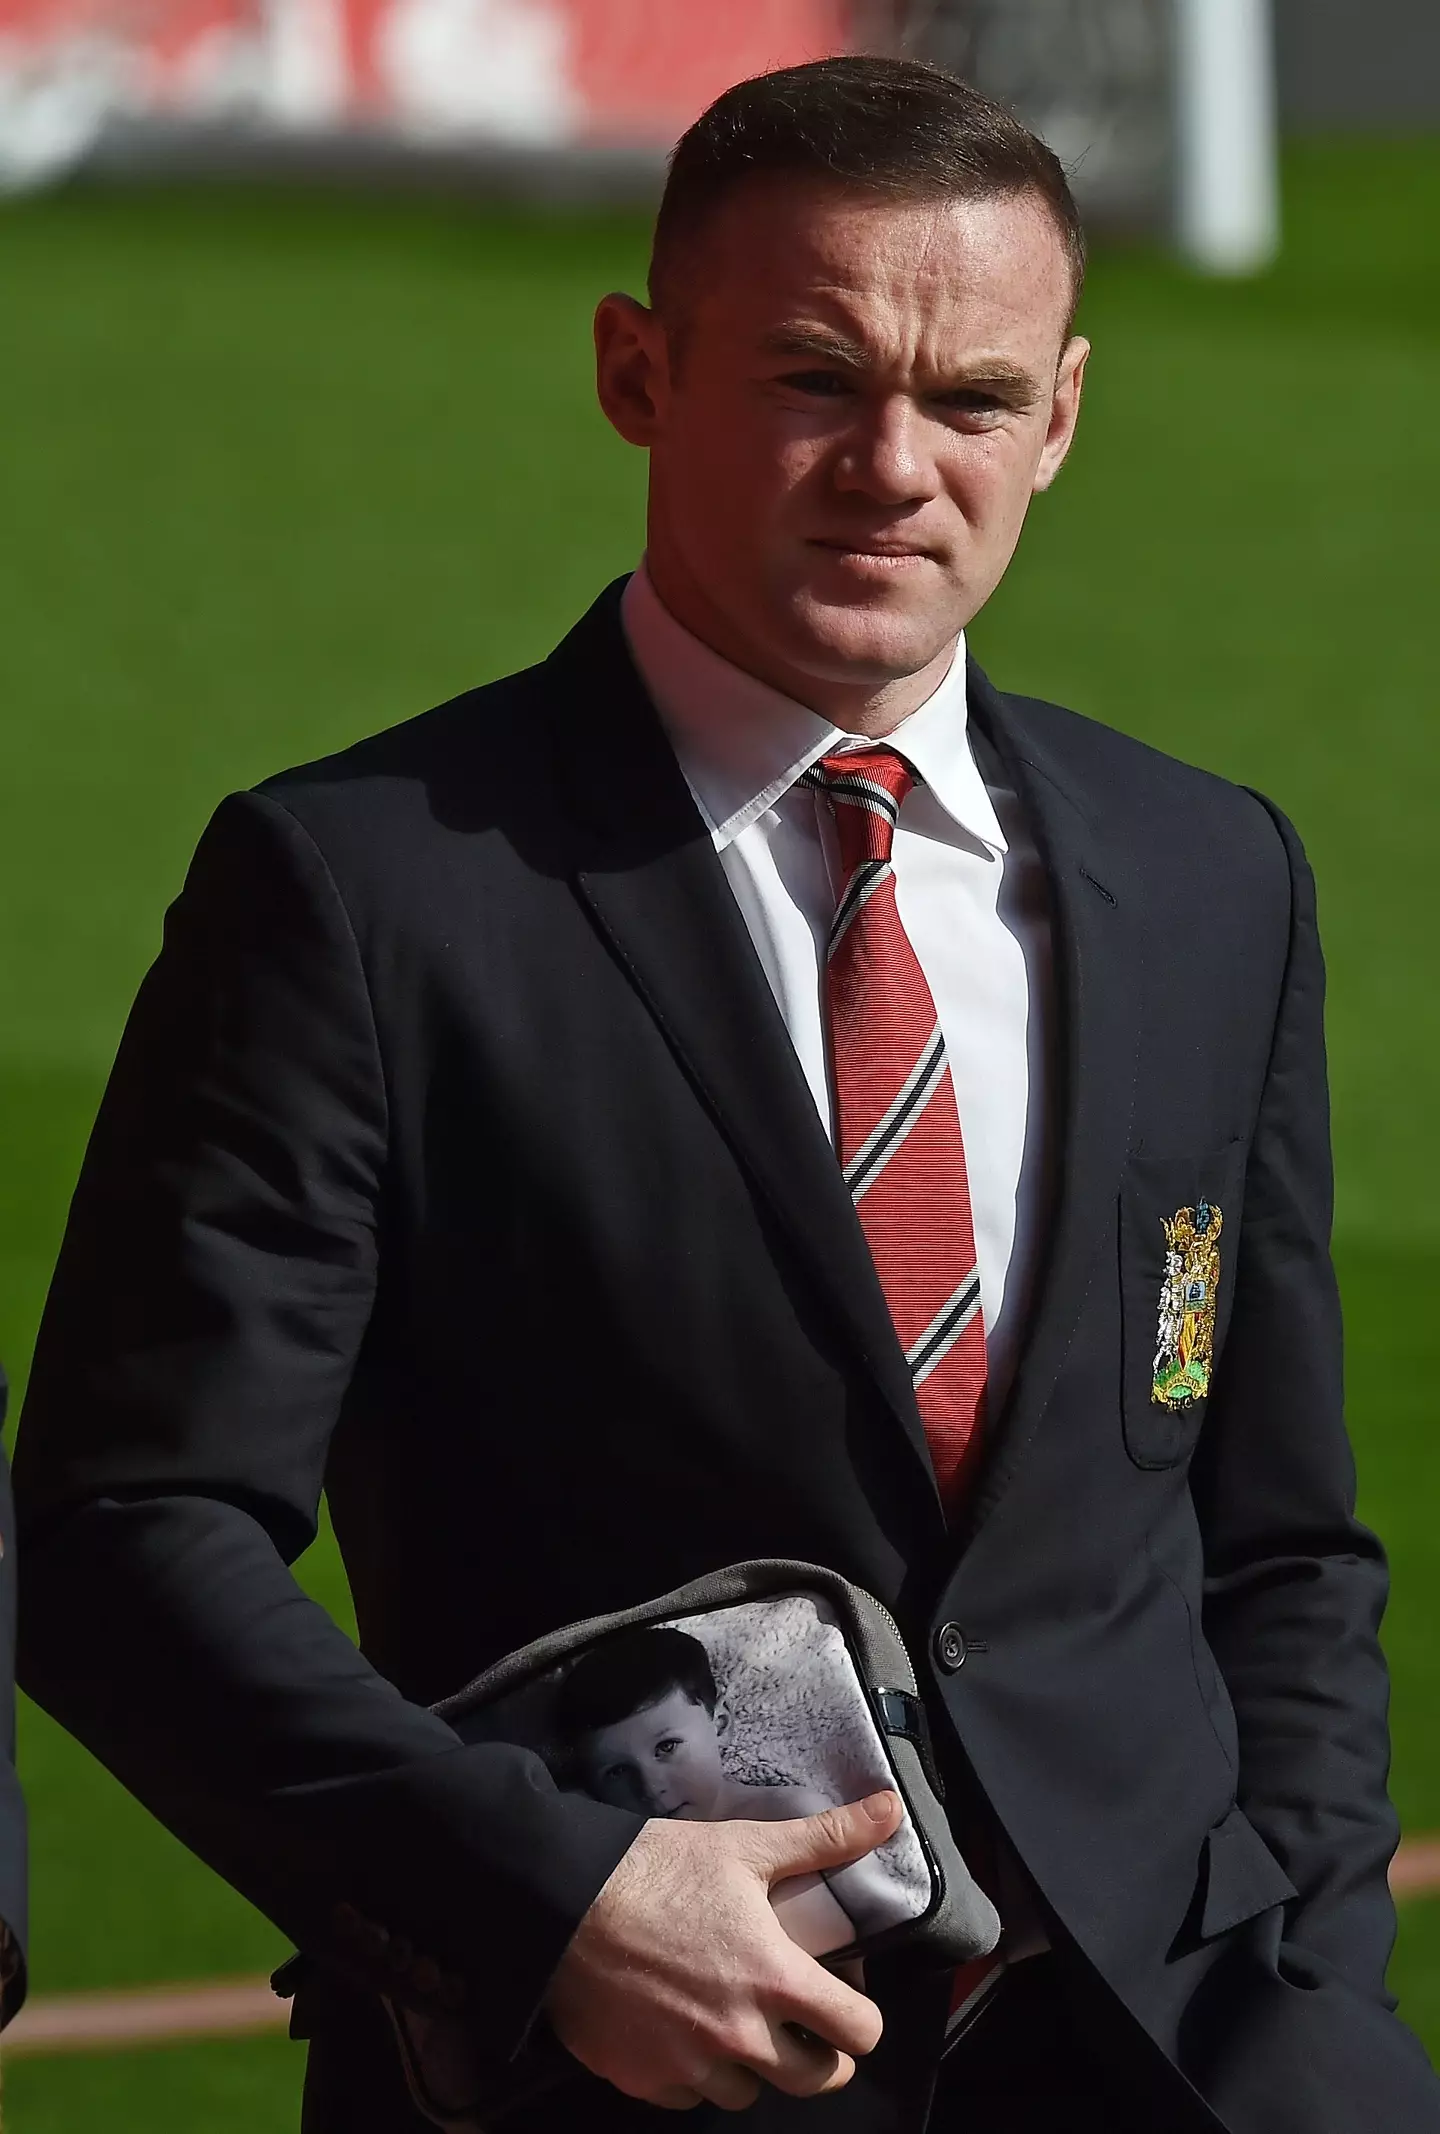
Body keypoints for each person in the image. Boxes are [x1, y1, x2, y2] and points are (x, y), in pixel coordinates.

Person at [11, 50, 1439, 2134]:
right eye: (811, 377)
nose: (893, 465)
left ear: (1060, 417)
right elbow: (127, 1537)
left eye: (971, 399)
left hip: (1188, 2067)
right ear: (636, 371)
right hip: (626, 2082)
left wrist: (1312, 2006)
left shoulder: (1214, 874)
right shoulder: (361, 889)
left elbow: (1278, 1540)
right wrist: (549, 1897)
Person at [554, 1625, 900, 1952]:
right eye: (617, 1772)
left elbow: (886, 1913)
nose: (650, 1786)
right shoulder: (631, 1873)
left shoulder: (790, 1814)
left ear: (719, 1726)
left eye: (666, 1747)